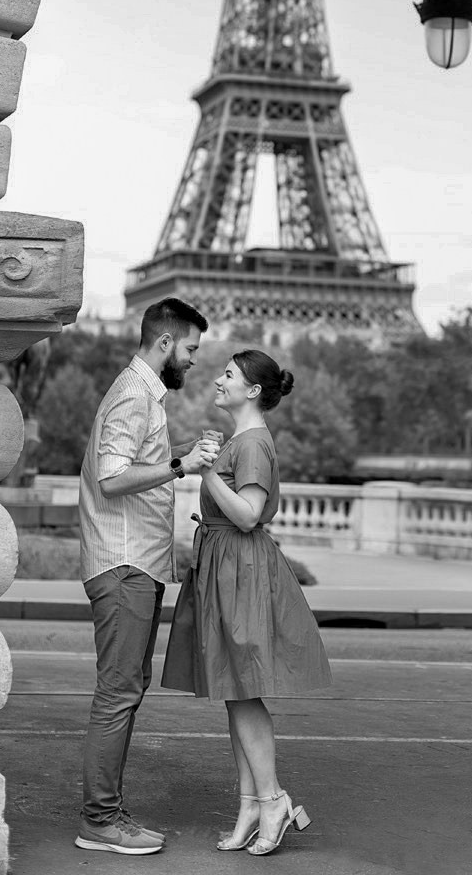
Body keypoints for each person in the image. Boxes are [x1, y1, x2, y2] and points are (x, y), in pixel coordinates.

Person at [162, 348, 332, 856]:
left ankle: (273, 799)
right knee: (235, 691)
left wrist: (206, 473)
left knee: (244, 689)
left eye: (229, 375)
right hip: (226, 568)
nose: (218, 380)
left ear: (253, 391)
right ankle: (252, 806)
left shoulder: (253, 443)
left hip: (242, 570)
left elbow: (249, 515)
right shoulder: (241, 439)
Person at [75, 297, 220, 857]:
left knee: (124, 691)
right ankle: (100, 822)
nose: (193, 360)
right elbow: (113, 479)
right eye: (190, 349)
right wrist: (183, 465)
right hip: (125, 565)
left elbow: (129, 468)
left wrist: (178, 455)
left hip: (132, 563)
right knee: (117, 694)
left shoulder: (139, 395)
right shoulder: (135, 397)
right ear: (165, 344)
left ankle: (106, 814)